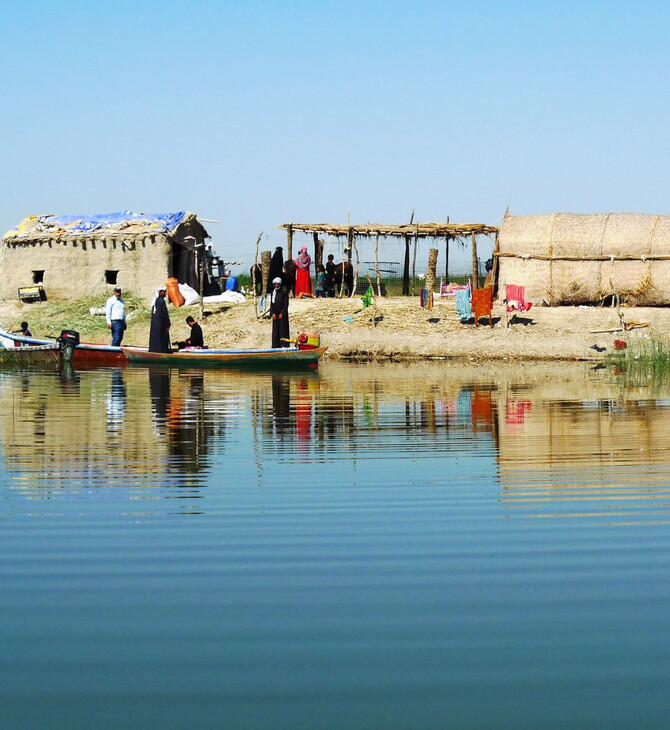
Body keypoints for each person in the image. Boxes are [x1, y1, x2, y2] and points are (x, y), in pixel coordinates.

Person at [149, 286, 171, 353]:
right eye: (164, 292)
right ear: (160, 292)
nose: (165, 294)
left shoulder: (156, 301)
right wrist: (167, 324)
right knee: (161, 338)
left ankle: (154, 350)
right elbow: (164, 314)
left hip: (156, 324)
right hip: (161, 324)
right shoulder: (161, 301)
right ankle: (161, 351)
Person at [270, 276, 290, 348]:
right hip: (275, 314)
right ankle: (275, 345)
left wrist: (282, 313)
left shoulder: (284, 291)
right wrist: (273, 313)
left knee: (283, 330)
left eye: (277, 284)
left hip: (282, 315)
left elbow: (286, 304)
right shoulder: (273, 292)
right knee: (276, 331)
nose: (276, 285)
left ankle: (284, 345)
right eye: (275, 284)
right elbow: (272, 304)